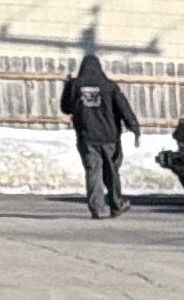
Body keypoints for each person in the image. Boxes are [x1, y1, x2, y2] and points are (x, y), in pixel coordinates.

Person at [59, 47, 141, 219]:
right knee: (111, 171)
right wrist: (133, 126)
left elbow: (66, 108)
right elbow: (123, 108)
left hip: (87, 137)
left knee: (93, 171)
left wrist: (68, 86)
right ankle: (116, 204)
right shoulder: (109, 86)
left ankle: (97, 208)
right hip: (109, 136)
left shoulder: (75, 85)